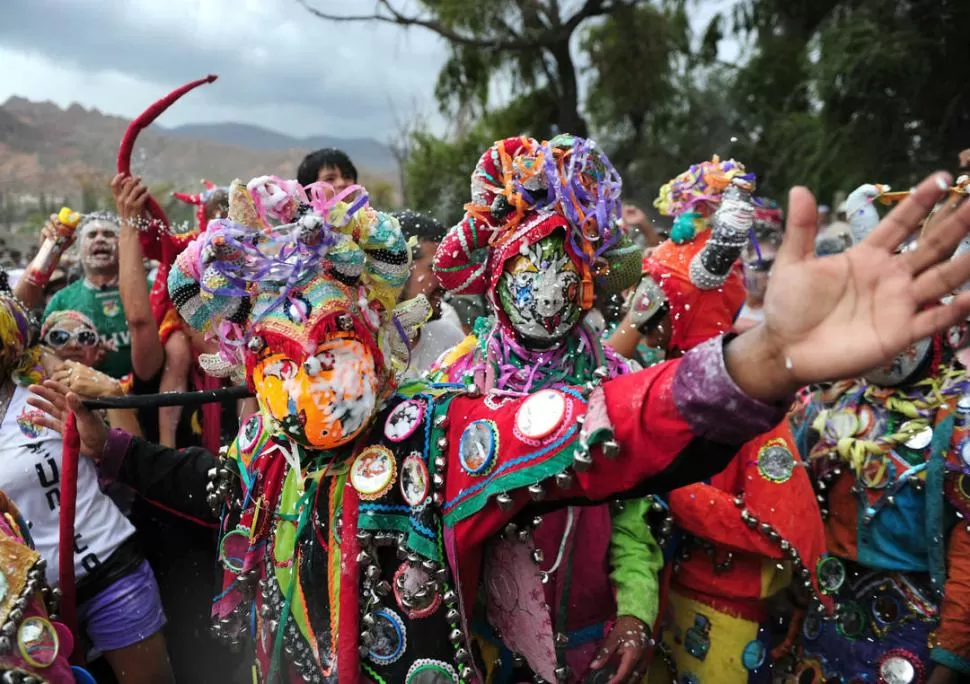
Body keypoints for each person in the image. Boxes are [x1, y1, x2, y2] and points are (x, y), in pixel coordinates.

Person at [28, 156, 970, 684]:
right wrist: (111, 448)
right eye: (276, 354)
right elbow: (215, 485)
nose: (309, 376)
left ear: (379, 326)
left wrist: (761, 361)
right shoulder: (268, 454)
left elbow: (600, 429)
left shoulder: (431, 435)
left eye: (329, 338)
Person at [430, 137, 658, 683]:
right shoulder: (456, 384)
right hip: (483, 648)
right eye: (528, 272)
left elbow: (633, 516)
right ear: (496, 284)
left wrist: (635, 612)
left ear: (586, 285)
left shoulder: (615, 383)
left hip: (591, 643)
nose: (548, 293)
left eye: (563, 272)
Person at [610, 160, 827, 683]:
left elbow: (778, 531)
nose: (647, 324)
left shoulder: (751, 409)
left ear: (681, 310)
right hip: (664, 602)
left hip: (726, 616)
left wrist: (668, 492)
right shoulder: (661, 386)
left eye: (656, 309)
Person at [789, 200, 970, 684]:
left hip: (915, 636)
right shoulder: (826, 402)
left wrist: (950, 661)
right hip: (822, 621)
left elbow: (968, 557)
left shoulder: (960, 418)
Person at [0, 290, 172, 684]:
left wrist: (111, 394)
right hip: (27, 605)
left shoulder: (44, 386)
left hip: (111, 574)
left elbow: (123, 457)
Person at [38, 213, 132, 380]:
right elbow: (43, 352)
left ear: (123, 243)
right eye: (92, 235)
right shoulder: (61, 300)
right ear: (79, 249)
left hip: (145, 397)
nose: (100, 239)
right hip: (79, 398)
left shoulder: (149, 289)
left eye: (109, 234)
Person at [393, 210, 466, 379]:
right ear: (397, 271)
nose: (444, 281)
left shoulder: (449, 339)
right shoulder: (365, 353)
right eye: (433, 269)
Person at [735, 201, 784, 332]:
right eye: (763, 265)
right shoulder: (720, 313)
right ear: (738, 267)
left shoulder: (790, 310)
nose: (772, 273)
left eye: (779, 265)